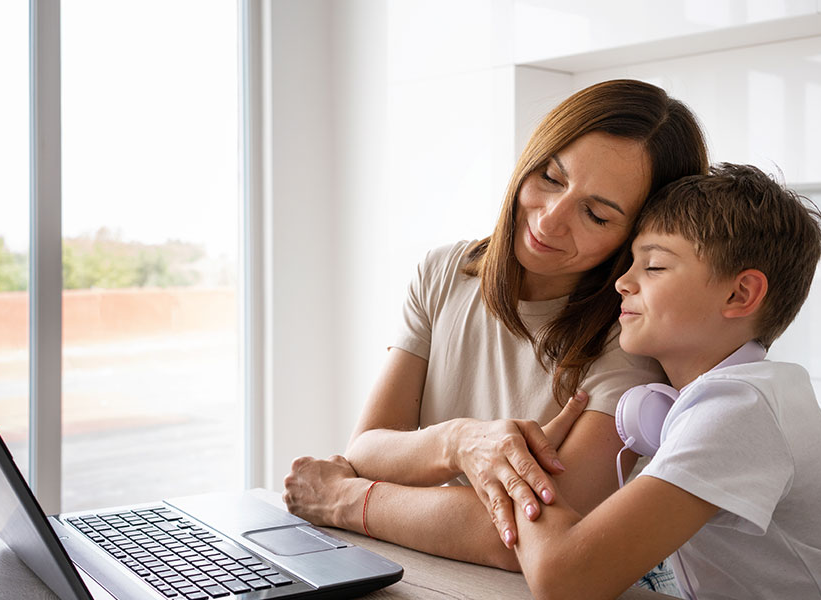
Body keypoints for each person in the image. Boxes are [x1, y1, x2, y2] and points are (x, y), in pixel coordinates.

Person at [282, 79, 709, 586]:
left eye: (595, 213)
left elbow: (522, 539)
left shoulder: (633, 340)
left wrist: (344, 498)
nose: (550, 221)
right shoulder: (446, 272)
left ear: (639, 235)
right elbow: (367, 451)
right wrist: (460, 441)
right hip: (429, 570)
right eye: (550, 177)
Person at [507, 163, 821, 599]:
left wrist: (515, 468)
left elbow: (566, 580)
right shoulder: (723, 398)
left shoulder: (739, 410)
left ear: (739, 295)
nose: (622, 282)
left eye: (653, 266)